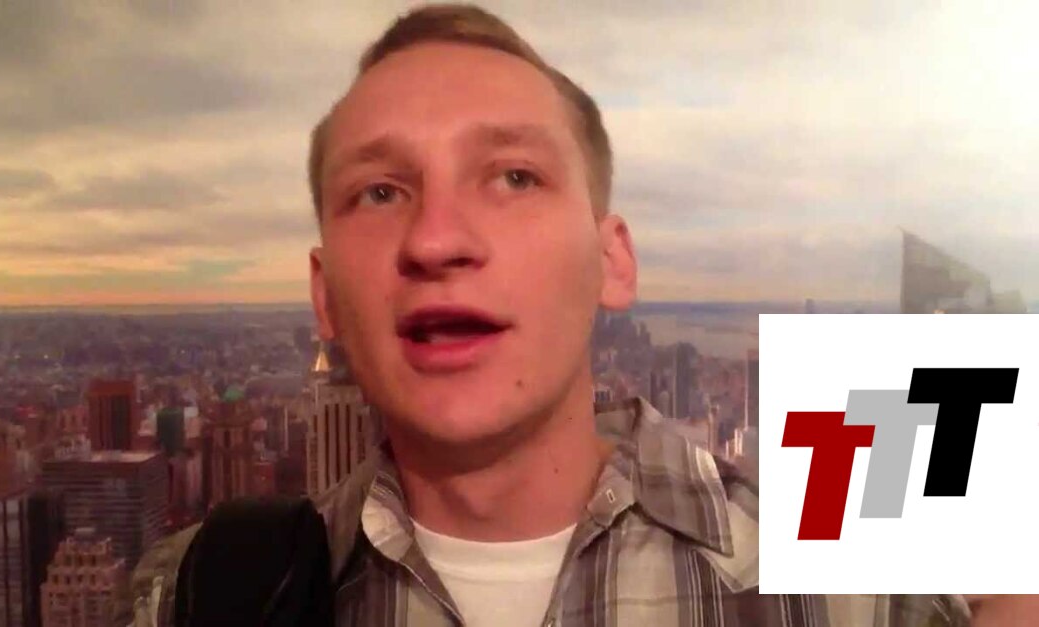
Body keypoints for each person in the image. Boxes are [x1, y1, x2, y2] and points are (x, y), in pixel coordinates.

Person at [120, 4, 974, 626]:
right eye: (379, 191)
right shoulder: (194, 595)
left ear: (613, 261)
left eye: (514, 177)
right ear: (324, 295)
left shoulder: (862, 576)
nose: (436, 238)